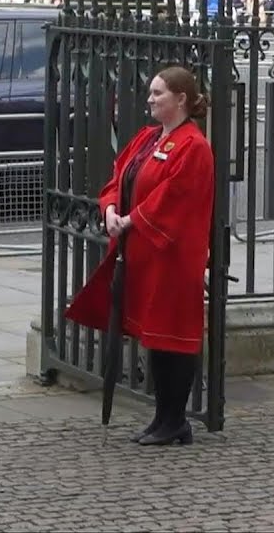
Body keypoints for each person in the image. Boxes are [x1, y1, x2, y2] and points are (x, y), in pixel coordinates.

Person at [64, 65, 215, 446]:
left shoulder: (194, 145)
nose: (150, 99)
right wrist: (111, 209)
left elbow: (174, 198)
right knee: (154, 336)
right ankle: (162, 417)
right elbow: (120, 176)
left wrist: (132, 218)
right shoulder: (149, 138)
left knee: (173, 336)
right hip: (144, 252)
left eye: (158, 93)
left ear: (181, 99)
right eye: (151, 92)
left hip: (173, 257)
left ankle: (175, 419)